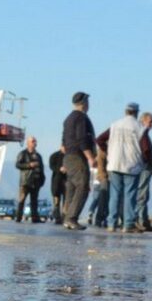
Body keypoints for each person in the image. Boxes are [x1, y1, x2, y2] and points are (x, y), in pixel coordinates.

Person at [98, 103, 144, 233]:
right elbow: (145, 148)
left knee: (115, 194)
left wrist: (108, 151)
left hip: (114, 163)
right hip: (132, 165)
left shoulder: (115, 125)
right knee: (130, 195)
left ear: (126, 111)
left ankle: (111, 223)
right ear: (136, 112)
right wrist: (145, 160)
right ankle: (128, 224)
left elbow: (100, 139)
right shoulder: (139, 126)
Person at [61, 92, 96, 230]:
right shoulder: (81, 117)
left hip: (68, 156)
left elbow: (63, 142)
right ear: (84, 103)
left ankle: (66, 217)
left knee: (71, 187)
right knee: (82, 186)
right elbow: (82, 139)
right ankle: (72, 218)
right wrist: (90, 157)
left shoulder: (68, 118)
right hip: (77, 156)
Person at [15, 136, 45, 223]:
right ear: (28, 143)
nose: (35, 143)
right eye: (33, 141)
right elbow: (17, 164)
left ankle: (35, 218)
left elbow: (41, 168)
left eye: (35, 141)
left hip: (36, 181)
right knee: (22, 199)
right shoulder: (23, 153)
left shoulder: (38, 156)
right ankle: (18, 217)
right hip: (26, 181)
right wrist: (29, 165)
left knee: (34, 200)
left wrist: (42, 179)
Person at [136, 112, 152, 232]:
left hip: (146, 168)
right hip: (144, 167)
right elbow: (145, 150)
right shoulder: (143, 133)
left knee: (144, 194)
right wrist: (147, 161)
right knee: (142, 195)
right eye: (150, 121)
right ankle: (140, 220)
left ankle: (144, 219)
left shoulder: (145, 134)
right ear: (143, 121)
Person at [49, 148, 66, 224]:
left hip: (67, 181)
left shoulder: (69, 156)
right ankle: (57, 218)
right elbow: (51, 166)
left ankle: (64, 217)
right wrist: (59, 169)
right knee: (56, 200)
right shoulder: (54, 155)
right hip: (56, 181)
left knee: (66, 201)